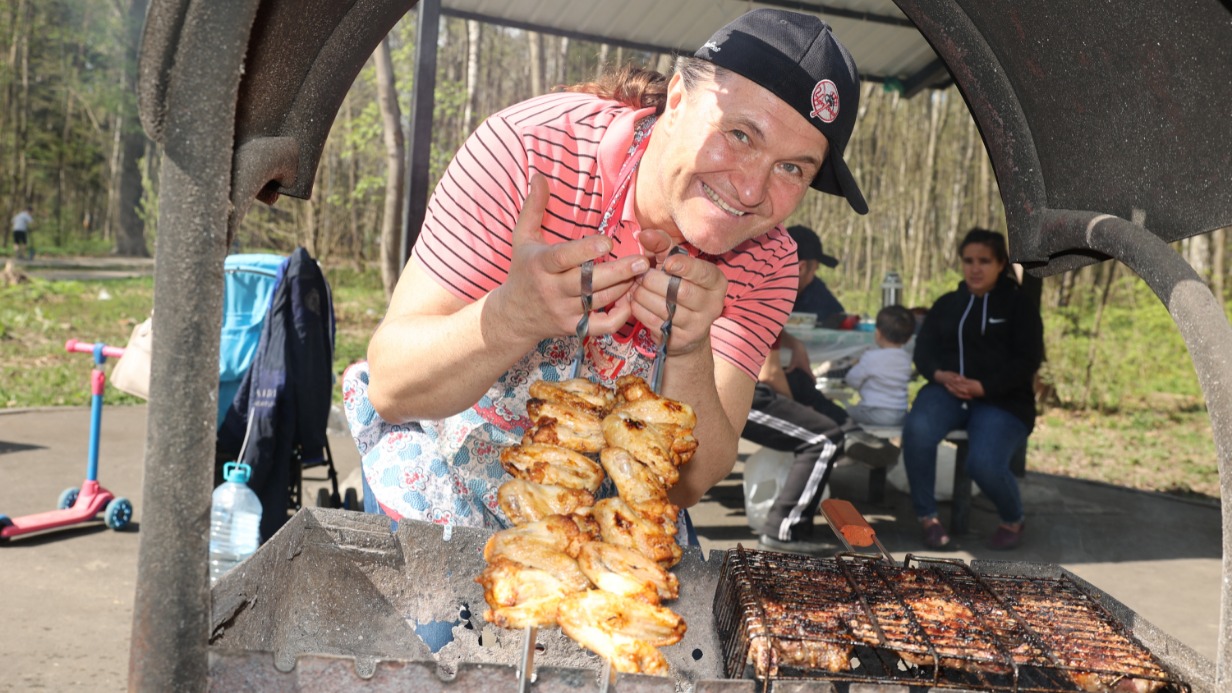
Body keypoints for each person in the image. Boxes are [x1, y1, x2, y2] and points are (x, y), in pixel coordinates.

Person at [344, 9, 868, 533]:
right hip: (444, 463)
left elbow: (691, 483)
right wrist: (512, 315)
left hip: (607, 505)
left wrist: (689, 349)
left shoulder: (766, 261)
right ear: (680, 100)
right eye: (739, 135)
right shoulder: (531, 152)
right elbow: (393, 389)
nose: (751, 191)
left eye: (792, 168)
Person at [741, 228, 896, 556]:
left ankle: (850, 432)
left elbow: (773, 349)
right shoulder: (770, 292)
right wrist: (806, 412)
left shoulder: (755, 282)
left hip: (741, 383)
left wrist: (794, 344)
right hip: (733, 394)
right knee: (823, 438)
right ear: (799, 266)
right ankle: (780, 535)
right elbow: (770, 376)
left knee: (799, 379)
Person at [900, 228, 1044, 551]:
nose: (975, 268)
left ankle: (1012, 517)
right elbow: (923, 351)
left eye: (984, 261)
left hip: (1002, 399)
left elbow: (1028, 359)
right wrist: (939, 375)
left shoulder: (1018, 306)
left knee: (983, 463)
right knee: (918, 430)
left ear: (1001, 264)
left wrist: (984, 386)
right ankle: (928, 518)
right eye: (968, 261)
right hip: (947, 391)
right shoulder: (948, 304)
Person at [844, 304, 916, 427]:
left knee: (842, 413)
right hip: (900, 414)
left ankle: (856, 442)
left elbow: (852, 380)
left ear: (877, 333)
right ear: (909, 339)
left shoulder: (871, 357)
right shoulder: (906, 359)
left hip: (874, 412)